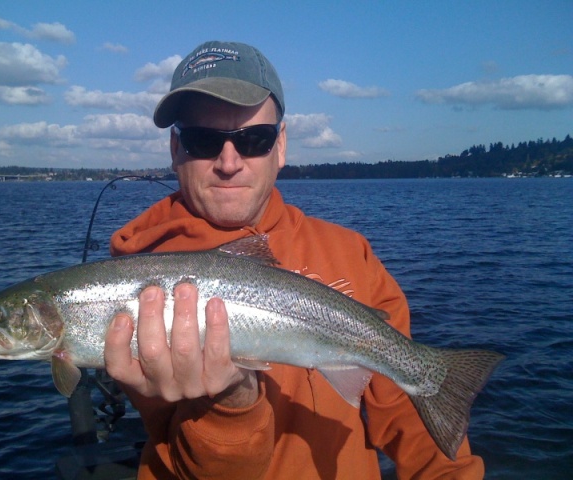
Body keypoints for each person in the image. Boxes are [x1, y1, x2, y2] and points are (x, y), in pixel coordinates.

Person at [103, 40, 485, 479]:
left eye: (254, 139)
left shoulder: (351, 254)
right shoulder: (136, 286)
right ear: (175, 150)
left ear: (281, 146)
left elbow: (412, 423)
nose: (229, 162)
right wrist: (230, 402)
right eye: (203, 140)